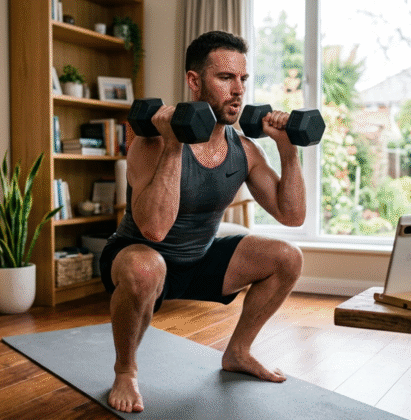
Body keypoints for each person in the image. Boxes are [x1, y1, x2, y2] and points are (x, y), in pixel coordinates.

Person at [99, 30, 307, 413]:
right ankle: (125, 370)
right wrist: (175, 144)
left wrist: (287, 152)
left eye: (242, 79)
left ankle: (239, 352)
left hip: (200, 258)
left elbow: (292, 216)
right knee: (146, 268)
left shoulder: (244, 150)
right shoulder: (152, 143)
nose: (238, 90)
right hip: (141, 256)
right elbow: (154, 229)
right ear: (194, 82)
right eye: (225, 78)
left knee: (288, 256)